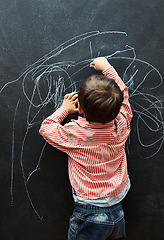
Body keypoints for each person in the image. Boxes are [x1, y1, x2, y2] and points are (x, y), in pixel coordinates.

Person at [39, 57, 132, 240]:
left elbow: (46, 128)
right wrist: (107, 68)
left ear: (79, 108)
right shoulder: (122, 123)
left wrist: (64, 109)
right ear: (117, 109)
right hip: (117, 205)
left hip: (89, 212)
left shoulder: (75, 133)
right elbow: (123, 95)